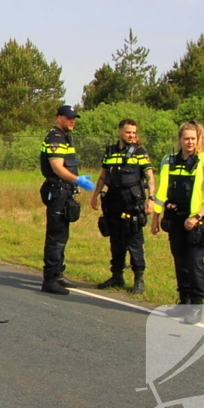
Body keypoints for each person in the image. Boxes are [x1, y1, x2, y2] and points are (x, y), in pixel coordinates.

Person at [151, 120, 204, 325]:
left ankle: (196, 307)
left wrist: (197, 216)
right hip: (175, 217)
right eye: (186, 138)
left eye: (193, 138)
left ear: (198, 140)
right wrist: (156, 217)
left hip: (196, 220)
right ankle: (183, 302)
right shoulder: (169, 160)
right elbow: (161, 191)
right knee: (180, 261)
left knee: (194, 263)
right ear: (179, 140)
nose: (190, 142)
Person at [90, 119, 155, 294]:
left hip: (132, 203)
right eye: (128, 132)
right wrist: (96, 194)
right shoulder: (110, 151)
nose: (131, 136)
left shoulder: (140, 152)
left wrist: (151, 199)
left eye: (134, 132)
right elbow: (103, 175)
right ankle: (117, 276)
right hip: (113, 201)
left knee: (134, 241)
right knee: (116, 241)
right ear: (120, 132)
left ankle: (138, 279)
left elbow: (149, 175)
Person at [39, 105, 95, 295]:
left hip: (64, 191)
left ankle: (58, 273)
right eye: (69, 118)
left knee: (62, 235)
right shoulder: (55, 137)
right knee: (55, 237)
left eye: (74, 118)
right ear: (59, 117)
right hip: (57, 191)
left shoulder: (65, 137)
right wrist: (76, 179)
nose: (73, 121)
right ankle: (50, 279)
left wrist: (74, 185)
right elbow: (57, 167)